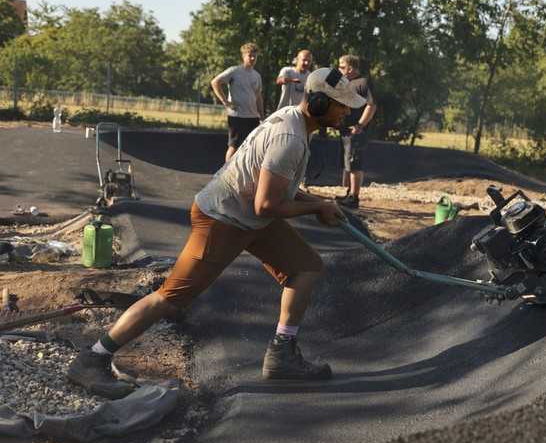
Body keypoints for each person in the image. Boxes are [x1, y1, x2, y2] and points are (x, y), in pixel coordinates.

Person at [66, 68, 368, 398]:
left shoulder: (292, 120)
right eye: (341, 105)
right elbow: (265, 204)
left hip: (247, 217)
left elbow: (276, 189)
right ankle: (92, 360)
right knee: (170, 298)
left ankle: (282, 354)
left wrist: (319, 201)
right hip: (222, 219)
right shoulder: (290, 139)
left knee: (305, 267)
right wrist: (316, 208)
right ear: (320, 103)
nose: (347, 111)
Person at [335, 54, 377, 209]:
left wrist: (360, 125)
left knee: (354, 164)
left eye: (341, 66)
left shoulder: (363, 82)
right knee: (348, 162)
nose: (338, 69)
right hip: (345, 130)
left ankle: (354, 198)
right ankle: (349, 193)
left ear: (350, 68)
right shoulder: (345, 82)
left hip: (356, 131)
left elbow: (371, 105)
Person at [211, 42, 264, 162]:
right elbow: (215, 82)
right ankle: (224, 175)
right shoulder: (234, 71)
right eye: (250, 55)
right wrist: (225, 101)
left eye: (254, 56)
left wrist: (261, 115)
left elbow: (258, 96)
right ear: (243, 56)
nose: (252, 58)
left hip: (252, 117)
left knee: (251, 147)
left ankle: (243, 176)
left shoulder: (257, 76)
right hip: (237, 116)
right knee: (234, 146)